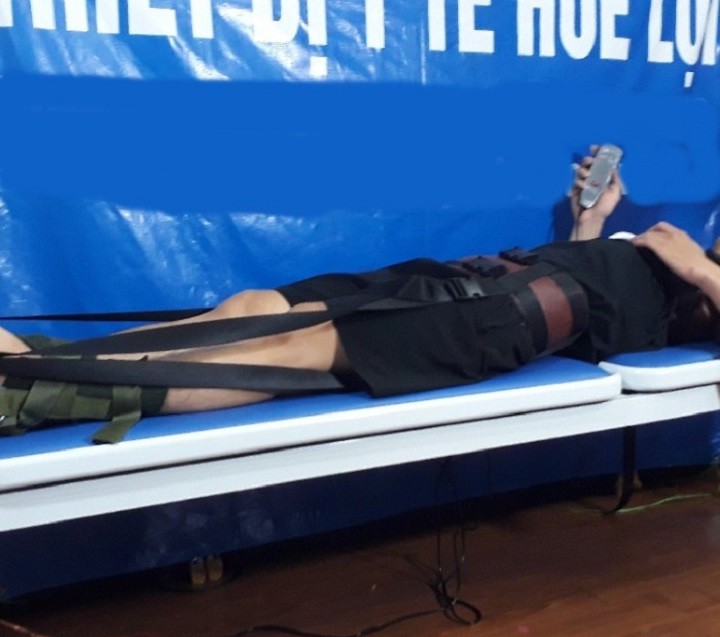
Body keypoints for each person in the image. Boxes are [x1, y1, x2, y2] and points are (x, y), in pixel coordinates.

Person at [1, 148, 720, 440]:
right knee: (254, 309)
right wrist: (593, 220)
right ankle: (40, 358)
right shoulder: (673, 253)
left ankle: (36, 396)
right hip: (476, 277)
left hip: (505, 320)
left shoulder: (699, 273)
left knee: (284, 353)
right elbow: (601, 285)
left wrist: (699, 272)